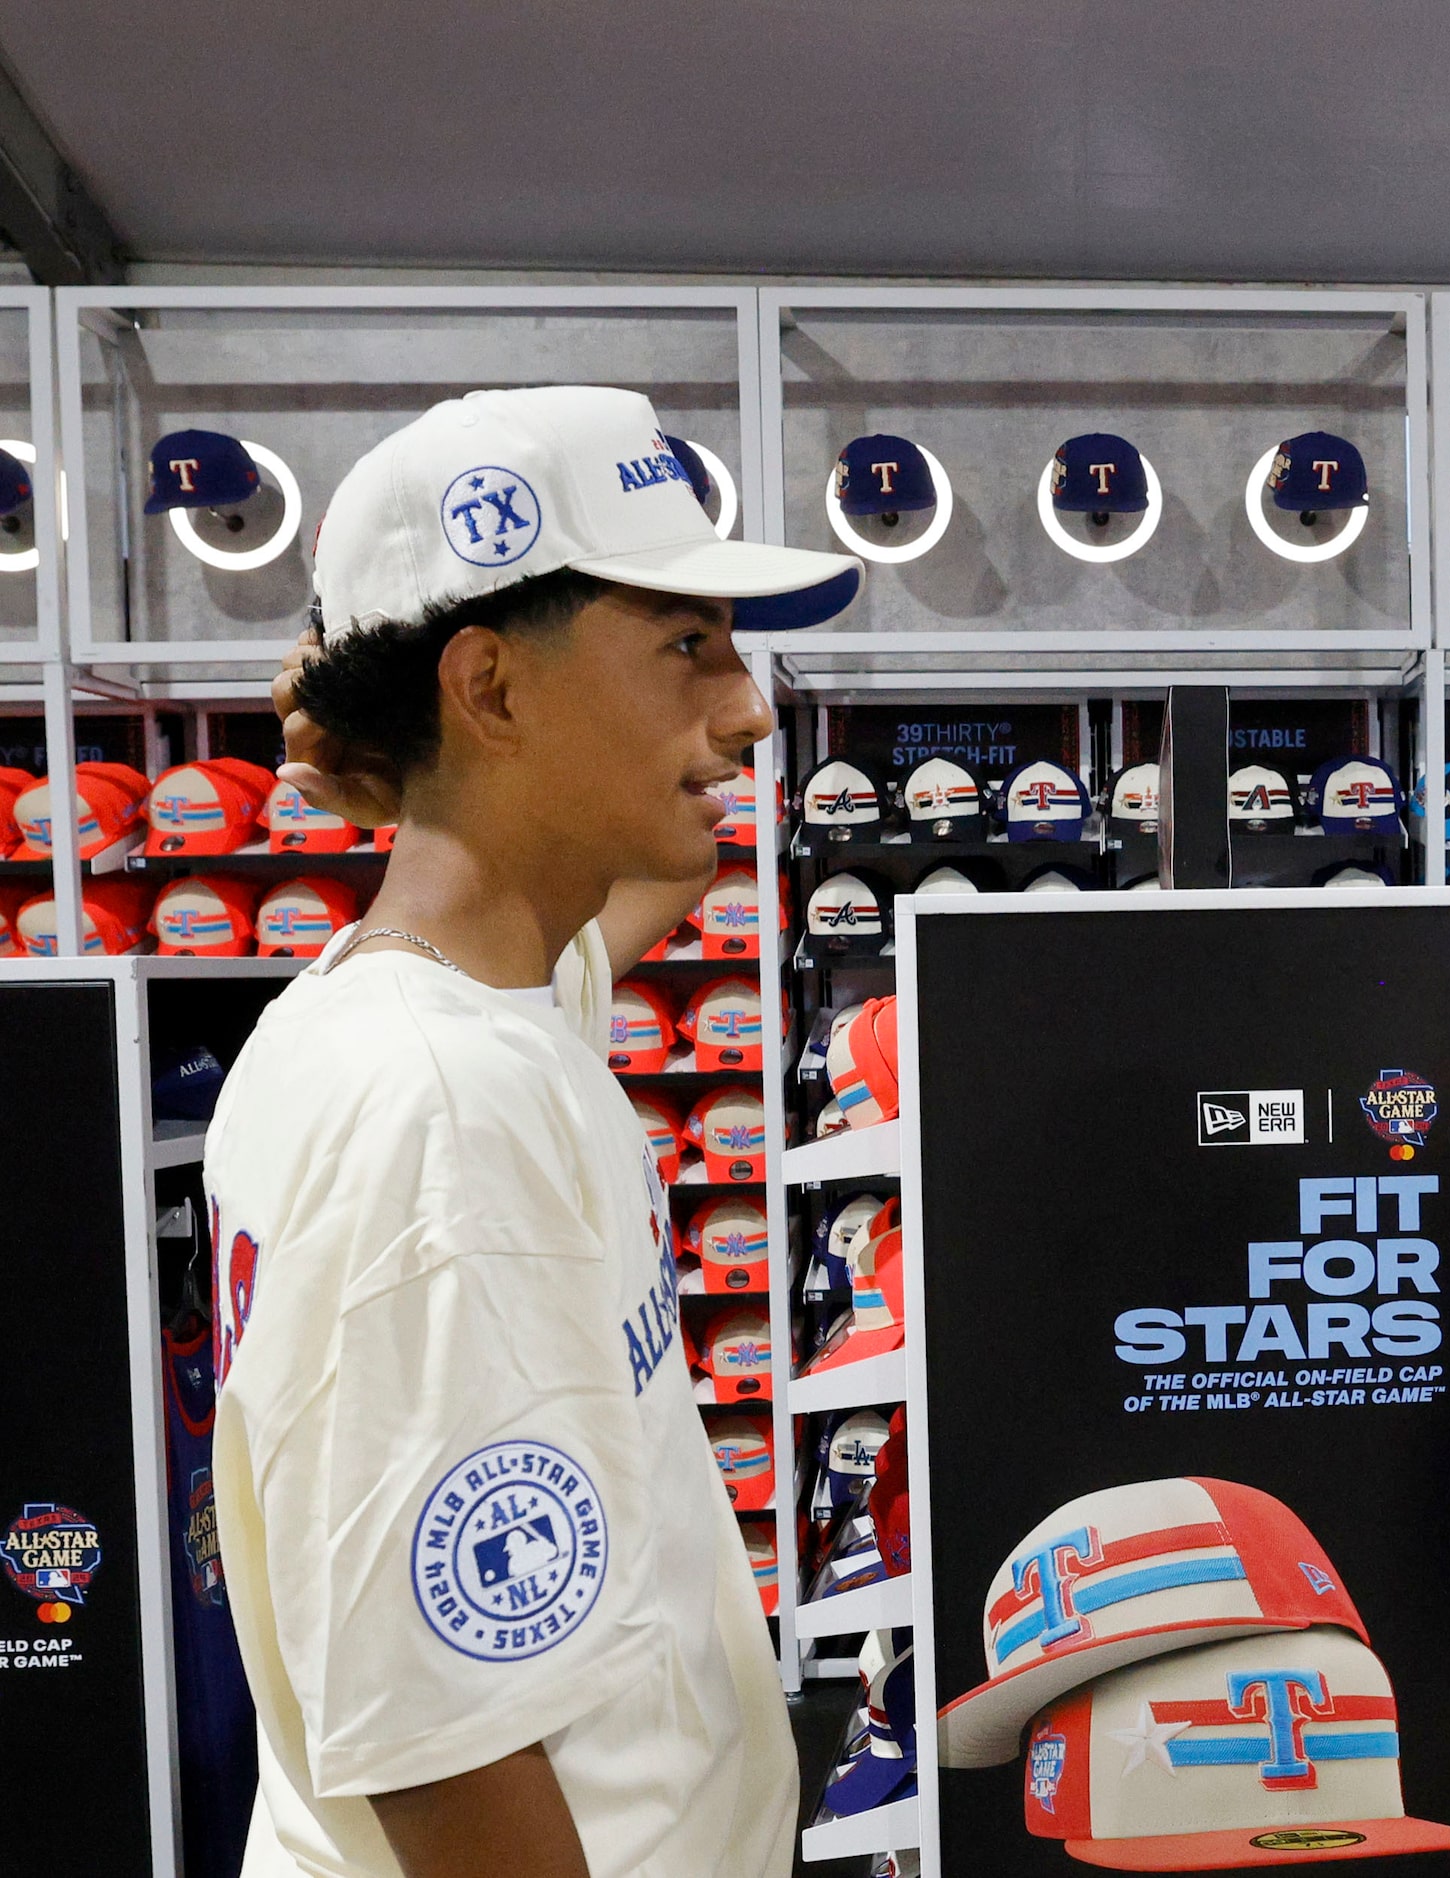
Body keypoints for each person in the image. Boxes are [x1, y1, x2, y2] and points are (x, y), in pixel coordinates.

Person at [204, 384, 860, 1878]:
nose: (750, 704)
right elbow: (447, 1756)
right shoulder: (437, 1114)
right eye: (687, 644)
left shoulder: (462, 999)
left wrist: (390, 747)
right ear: (493, 691)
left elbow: (618, 902)